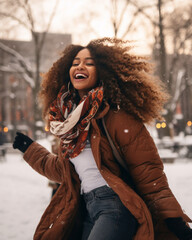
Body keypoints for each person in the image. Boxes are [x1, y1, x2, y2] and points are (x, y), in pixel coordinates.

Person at [13, 38, 192, 240]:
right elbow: (65, 171)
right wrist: (30, 149)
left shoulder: (116, 116)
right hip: (86, 208)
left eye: (89, 62)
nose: (80, 66)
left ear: (102, 72)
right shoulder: (69, 125)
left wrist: (174, 220)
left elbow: (148, 172)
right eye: (75, 63)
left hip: (115, 207)